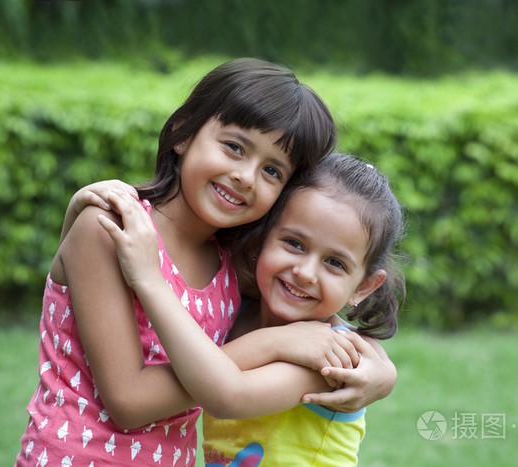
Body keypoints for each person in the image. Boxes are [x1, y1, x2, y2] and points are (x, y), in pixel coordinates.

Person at [15, 57, 351, 466]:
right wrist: (271, 344)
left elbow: (322, 310)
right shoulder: (111, 230)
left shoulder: (232, 264)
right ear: (182, 131)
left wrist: (379, 370)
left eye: (272, 171)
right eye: (234, 147)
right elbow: (129, 400)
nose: (246, 176)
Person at [97, 153, 406, 465]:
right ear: (261, 238)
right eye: (295, 244)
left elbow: (228, 396)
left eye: (335, 263)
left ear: (363, 287)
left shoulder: (330, 355)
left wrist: (148, 278)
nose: (305, 272)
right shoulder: (234, 310)